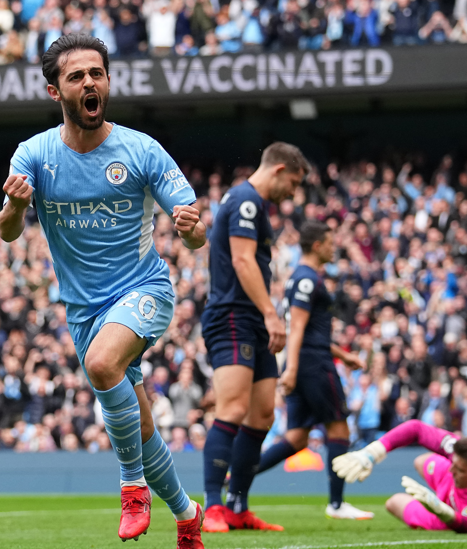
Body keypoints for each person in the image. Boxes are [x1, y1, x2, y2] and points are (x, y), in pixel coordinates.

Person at [0, 34, 205, 548]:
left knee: (104, 365)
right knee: (142, 424)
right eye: (76, 76)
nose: (90, 82)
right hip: (84, 311)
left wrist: (190, 227)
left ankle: (131, 487)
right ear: (54, 91)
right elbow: (6, 230)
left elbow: (197, 233)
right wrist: (17, 207)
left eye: (97, 73)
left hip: (144, 288)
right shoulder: (34, 154)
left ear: (107, 81)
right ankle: (187, 513)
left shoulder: (140, 149)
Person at [200, 141, 306, 533]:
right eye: (292, 183)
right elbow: (243, 259)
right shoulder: (246, 200)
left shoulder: (253, 204)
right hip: (233, 315)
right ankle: (211, 508)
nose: (292, 194)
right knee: (230, 408)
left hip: (254, 320)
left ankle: (237, 506)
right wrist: (268, 312)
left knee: (262, 414)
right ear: (279, 170)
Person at [257, 221, 373, 520]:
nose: (334, 247)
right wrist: (292, 368)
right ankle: (336, 504)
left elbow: (307, 330)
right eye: (330, 242)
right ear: (318, 245)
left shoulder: (299, 278)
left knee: (296, 438)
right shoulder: (308, 279)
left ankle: (239, 474)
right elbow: (295, 327)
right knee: (338, 428)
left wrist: (343, 357)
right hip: (312, 365)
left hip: (308, 359)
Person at [332, 420, 467, 532]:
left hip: (447, 514)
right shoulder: (460, 451)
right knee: (420, 461)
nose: (452, 469)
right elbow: (416, 429)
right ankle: (443, 487)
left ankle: (436, 503)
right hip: (449, 486)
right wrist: (372, 452)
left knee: (394, 502)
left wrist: (443, 512)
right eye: (453, 464)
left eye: (460, 470)